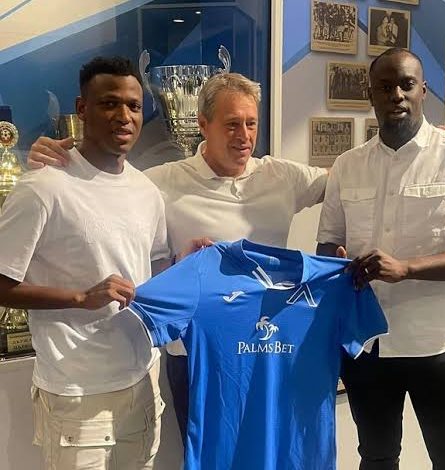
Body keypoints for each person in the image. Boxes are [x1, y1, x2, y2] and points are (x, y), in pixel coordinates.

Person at [27, 72, 329, 446]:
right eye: (232, 124)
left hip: (269, 347)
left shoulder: (282, 175)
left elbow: (344, 181)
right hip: (197, 353)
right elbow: (102, 188)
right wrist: (58, 160)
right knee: (209, 458)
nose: (244, 135)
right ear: (203, 124)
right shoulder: (159, 182)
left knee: (271, 452)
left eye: (251, 124)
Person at [0, 56, 206, 470]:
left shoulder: (146, 191)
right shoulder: (42, 188)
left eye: (133, 105)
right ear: (82, 109)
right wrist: (80, 297)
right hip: (77, 394)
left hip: (143, 380)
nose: (124, 116)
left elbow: (149, 273)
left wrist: (184, 264)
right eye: (110, 103)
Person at [317, 47, 445, 469]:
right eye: (384, 86)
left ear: (423, 91)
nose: (396, 94)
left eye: (406, 84)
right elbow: (327, 245)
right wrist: (337, 262)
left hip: (439, 343)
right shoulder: (347, 165)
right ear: (371, 95)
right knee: (377, 458)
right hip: (368, 345)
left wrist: (407, 268)